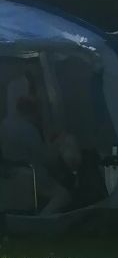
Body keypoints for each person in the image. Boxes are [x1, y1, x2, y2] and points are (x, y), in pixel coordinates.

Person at [0, 77, 75, 215]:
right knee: (63, 195)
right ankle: (41, 222)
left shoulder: (4, 124)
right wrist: (58, 144)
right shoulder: (27, 129)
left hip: (9, 176)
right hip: (33, 176)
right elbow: (46, 160)